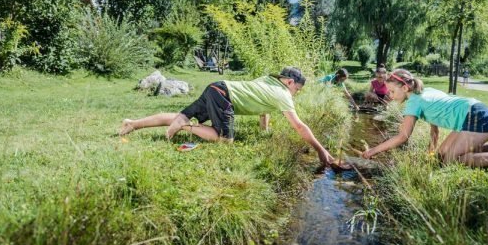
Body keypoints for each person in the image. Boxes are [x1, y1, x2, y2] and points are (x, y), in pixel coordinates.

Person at [120, 66, 335, 166]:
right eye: (297, 89)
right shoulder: (283, 94)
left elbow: (263, 108)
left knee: (178, 115)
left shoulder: (269, 81)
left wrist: (265, 131)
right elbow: (299, 127)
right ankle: (184, 126)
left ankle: (132, 124)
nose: (295, 93)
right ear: (289, 83)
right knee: (224, 140)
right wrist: (321, 150)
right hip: (224, 96)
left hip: (217, 87)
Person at [362, 69, 488, 168]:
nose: (389, 95)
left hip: (477, 117)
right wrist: (432, 150)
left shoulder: (413, 102)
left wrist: (372, 151)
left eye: (391, 91)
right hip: (474, 114)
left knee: (451, 160)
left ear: (405, 87)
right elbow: (434, 128)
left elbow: (403, 136)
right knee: (441, 156)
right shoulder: (424, 92)